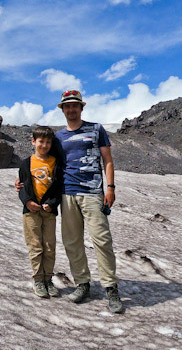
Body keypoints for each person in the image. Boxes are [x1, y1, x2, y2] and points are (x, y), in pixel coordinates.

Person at [54, 90, 122, 313]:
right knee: (72, 241)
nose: (71, 109)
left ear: (81, 108)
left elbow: (108, 160)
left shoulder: (96, 129)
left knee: (102, 240)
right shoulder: (58, 137)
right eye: (67, 106)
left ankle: (111, 288)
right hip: (67, 193)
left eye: (75, 106)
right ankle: (82, 284)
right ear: (62, 110)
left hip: (93, 193)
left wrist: (110, 188)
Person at [18, 126, 63, 299]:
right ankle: (38, 280)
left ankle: (48, 280)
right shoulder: (25, 163)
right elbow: (21, 187)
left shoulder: (55, 162)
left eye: (48, 142)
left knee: (49, 247)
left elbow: (59, 187)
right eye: (41, 141)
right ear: (33, 142)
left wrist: (52, 204)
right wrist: (28, 202)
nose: (44, 145)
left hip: (49, 212)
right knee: (35, 246)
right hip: (30, 212)